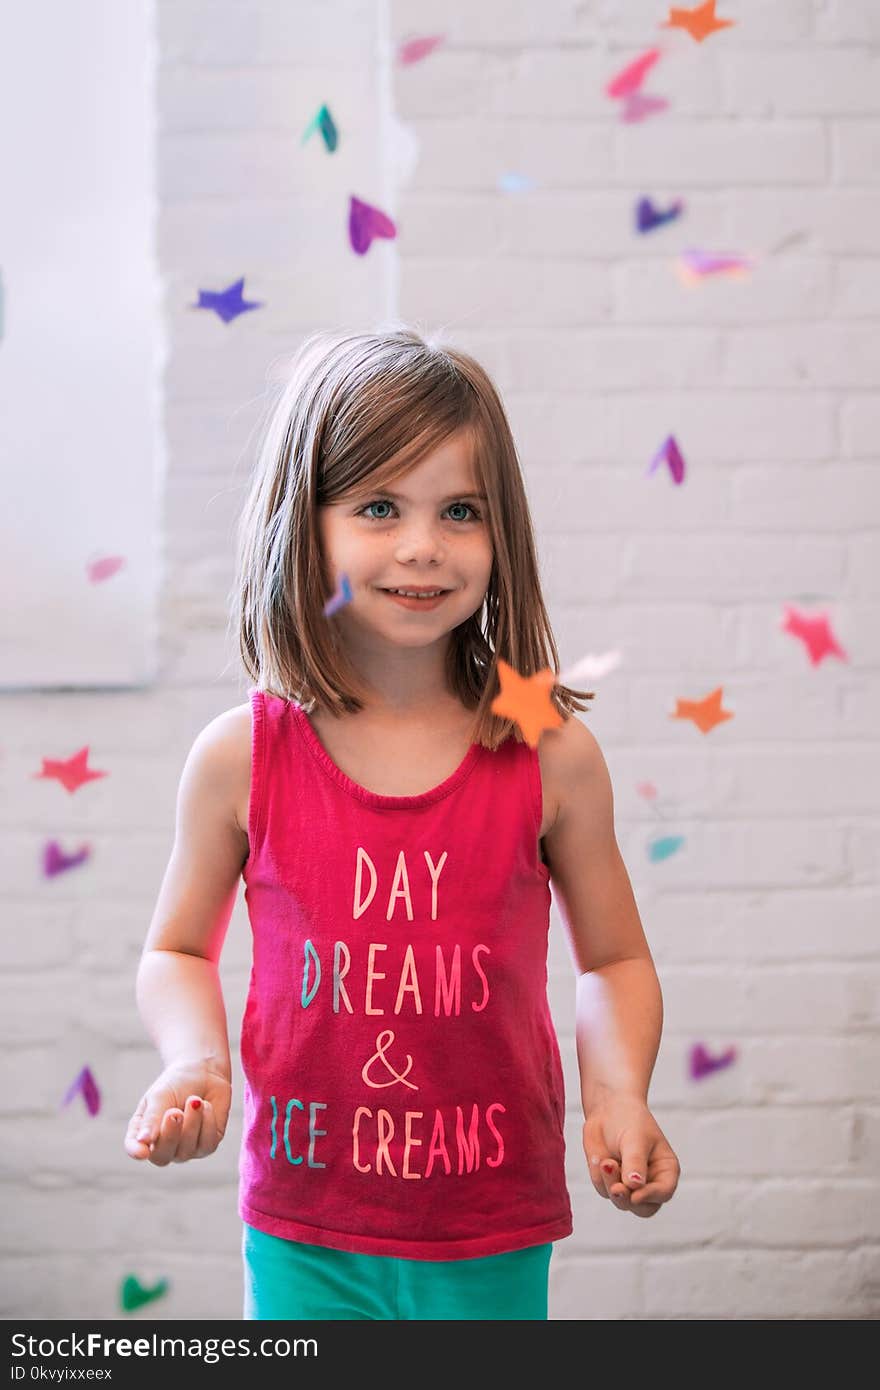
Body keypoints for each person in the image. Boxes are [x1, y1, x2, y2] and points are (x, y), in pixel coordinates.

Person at [124, 325, 680, 1321]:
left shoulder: (548, 752)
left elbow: (613, 963)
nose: (423, 544)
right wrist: (192, 1059)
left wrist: (617, 1095)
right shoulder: (239, 759)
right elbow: (175, 947)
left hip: (488, 1225)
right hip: (302, 1228)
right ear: (308, 524)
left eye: (459, 510)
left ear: (498, 531)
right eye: (380, 505)